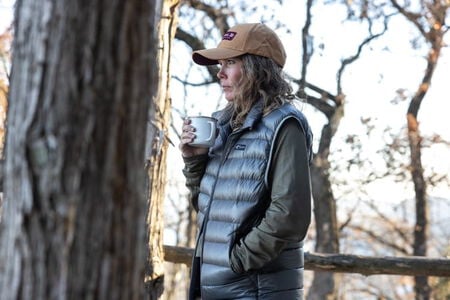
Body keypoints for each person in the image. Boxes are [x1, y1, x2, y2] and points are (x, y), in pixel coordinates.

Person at [180, 23, 313, 300]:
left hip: (255, 291)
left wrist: (236, 262)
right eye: (221, 63)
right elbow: (209, 212)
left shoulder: (284, 125)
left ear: (256, 68)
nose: (221, 73)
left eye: (230, 62)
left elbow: (290, 215)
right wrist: (194, 163)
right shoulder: (222, 125)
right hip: (215, 288)